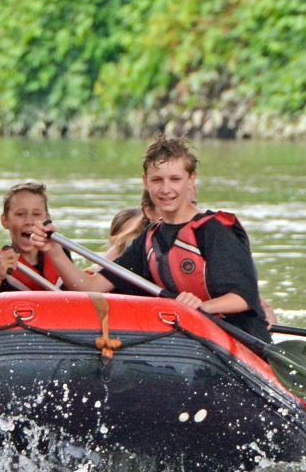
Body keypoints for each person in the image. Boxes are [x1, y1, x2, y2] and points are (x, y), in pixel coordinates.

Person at [33, 136, 275, 341]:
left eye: (175, 179)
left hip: (237, 339)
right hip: (190, 341)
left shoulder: (216, 230)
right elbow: (89, 288)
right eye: (157, 180)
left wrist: (203, 307)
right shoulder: (148, 239)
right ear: (145, 182)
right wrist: (53, 251)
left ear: (191, 181)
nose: (165, 189)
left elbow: (245, 297)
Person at [0, 182, 64, 300]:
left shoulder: (60, 255)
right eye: (20, 214)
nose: (29, 221)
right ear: (5, 221)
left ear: (47, 219)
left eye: (36, 214)